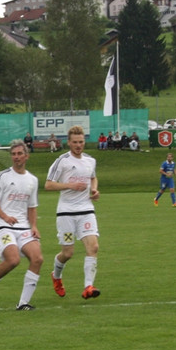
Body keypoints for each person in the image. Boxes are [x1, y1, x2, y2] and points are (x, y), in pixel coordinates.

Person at [0, 140, 43, 311]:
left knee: (37, 259)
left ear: (26, 156)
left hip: (23, 226)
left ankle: (23, 303)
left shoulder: (32, 180)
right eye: (13, 154)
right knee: (13, 260)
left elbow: (32, 207)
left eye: (20, 154)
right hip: (2, 225)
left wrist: (34, 226)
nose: (16, 157)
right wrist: (5, 217)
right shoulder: (3, 176)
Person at [45, 125, 101, 299]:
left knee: (94, 247)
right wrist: (70, 185)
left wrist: (94, 189)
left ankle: (88, 287)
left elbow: (93, 177)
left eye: (81, 142)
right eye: (75, 142)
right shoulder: (62, 161)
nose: (78, 145)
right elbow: (48, 185)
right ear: (68, 143)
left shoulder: (90, 161)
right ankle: (56, 276)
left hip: (86, 210)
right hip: (66, 213)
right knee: (68, 253)